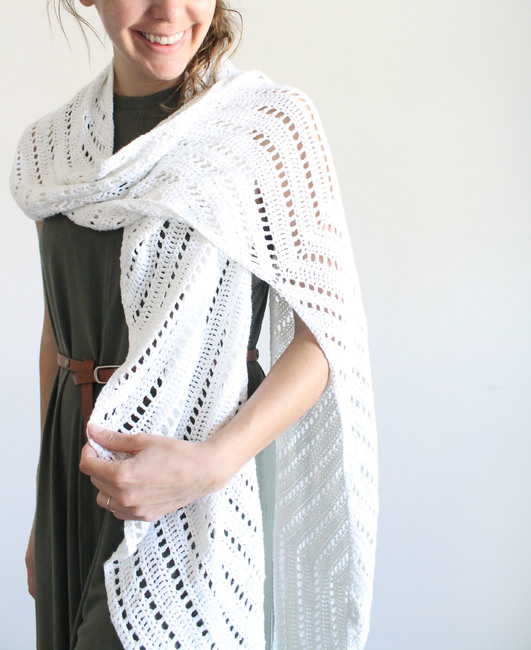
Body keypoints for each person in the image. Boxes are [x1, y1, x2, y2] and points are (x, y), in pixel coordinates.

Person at [11, 1, 378, 648]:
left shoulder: (267, 128)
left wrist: (211, 466)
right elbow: (58, 334)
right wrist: (46, 508)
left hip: (202, 471)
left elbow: (327, 337)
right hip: (77, 471)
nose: (168, 10)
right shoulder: (51, 149)